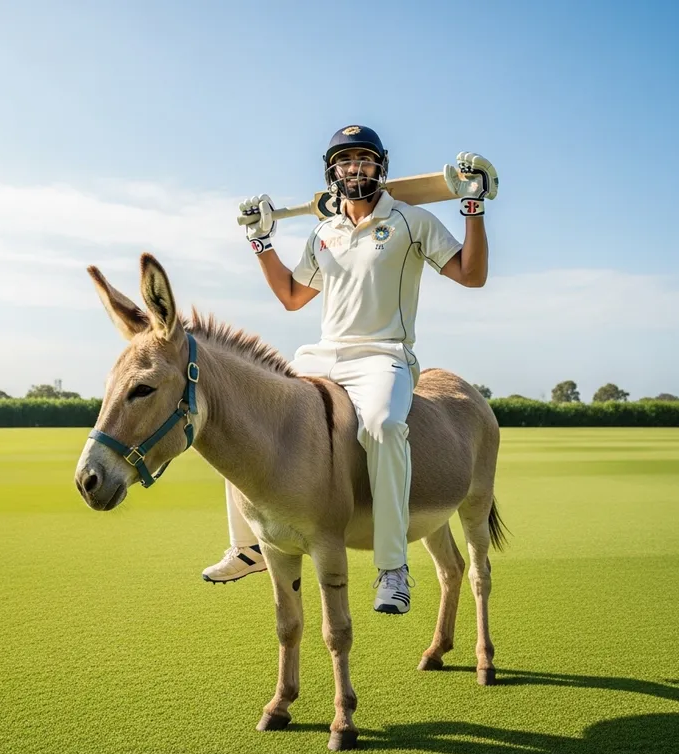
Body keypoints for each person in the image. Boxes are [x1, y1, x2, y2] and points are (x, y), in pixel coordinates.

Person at [202, 125, 498, 615]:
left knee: (382, 426)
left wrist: (473, 208)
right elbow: (292, 297)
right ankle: (248, 547)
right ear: (332, 171)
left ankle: (393, 568)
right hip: (324, 354)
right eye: (346, 161)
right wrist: (261, 241)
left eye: (364, 159)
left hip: (384, 356)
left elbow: (473, 274)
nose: (355, 168)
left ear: (380, 167)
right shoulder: (324, 232)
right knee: (249, 411)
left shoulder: (412, 221)